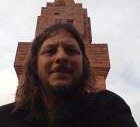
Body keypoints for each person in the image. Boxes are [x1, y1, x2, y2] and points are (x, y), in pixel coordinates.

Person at [0, 23, 138, 127]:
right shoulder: (4, 117)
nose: (61, 56)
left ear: (83, 64)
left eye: (71, 50)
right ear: (34, 64)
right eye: (50, 51)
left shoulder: (107, 107)